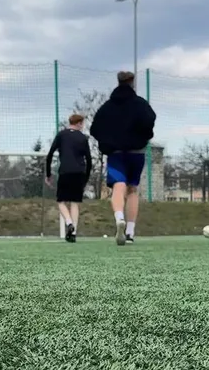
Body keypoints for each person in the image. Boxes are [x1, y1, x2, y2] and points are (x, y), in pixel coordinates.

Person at [89, 70, 156, 245]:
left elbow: (94, 128)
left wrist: (107, 141)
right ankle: (130, 232)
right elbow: (150, 120)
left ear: (118, 82)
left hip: (116, 152)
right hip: (137, 152)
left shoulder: (107, 106)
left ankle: (119, 218)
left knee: (118, 186)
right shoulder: (141, 104)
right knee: (132, 189)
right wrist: (143, 136)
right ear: (132, 83)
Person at [46, 114, 94, 243]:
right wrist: (86, 177)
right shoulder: (83, 138)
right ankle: (73, 233)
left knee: (61, 201)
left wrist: (48, 174)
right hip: (79, 173)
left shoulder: (61, 135)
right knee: (75, 202)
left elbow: (50, 154)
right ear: (79, 123)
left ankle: (69, 223)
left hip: (65, 172)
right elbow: (89, 160)